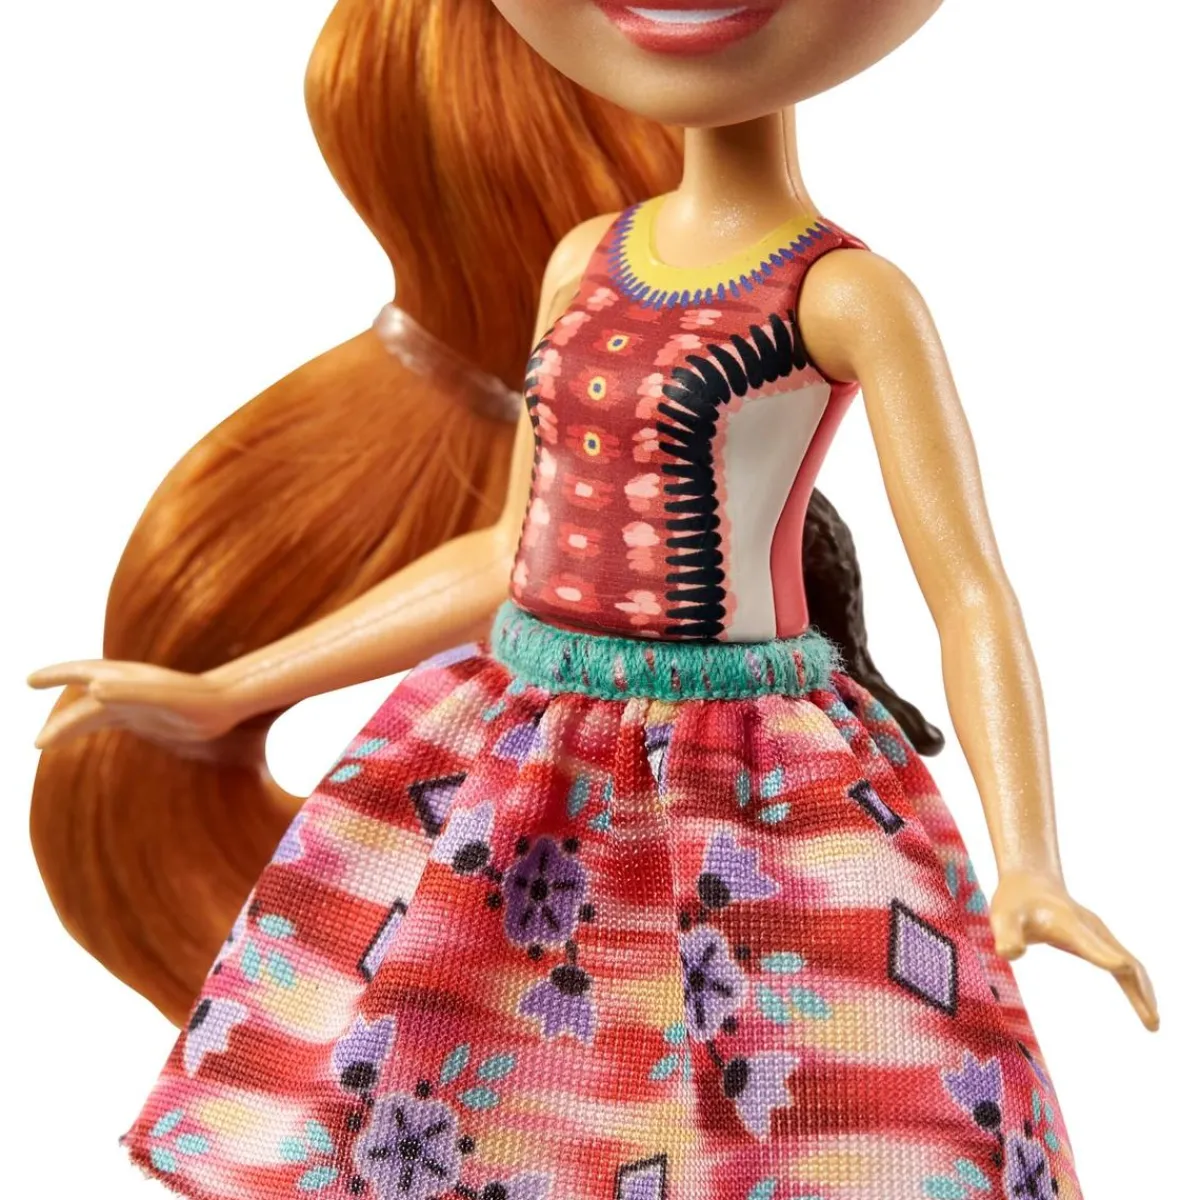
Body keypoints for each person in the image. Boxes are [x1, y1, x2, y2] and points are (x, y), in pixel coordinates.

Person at [28, 2, 1156, 1198]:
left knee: (814, 1107)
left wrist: (1032, 861)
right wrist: (224, 690)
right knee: (458, 1099)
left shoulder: (845, 296)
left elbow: (971, 592)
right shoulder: (582, 261)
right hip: (522, 764)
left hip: (748, 780)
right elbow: (503, 552)